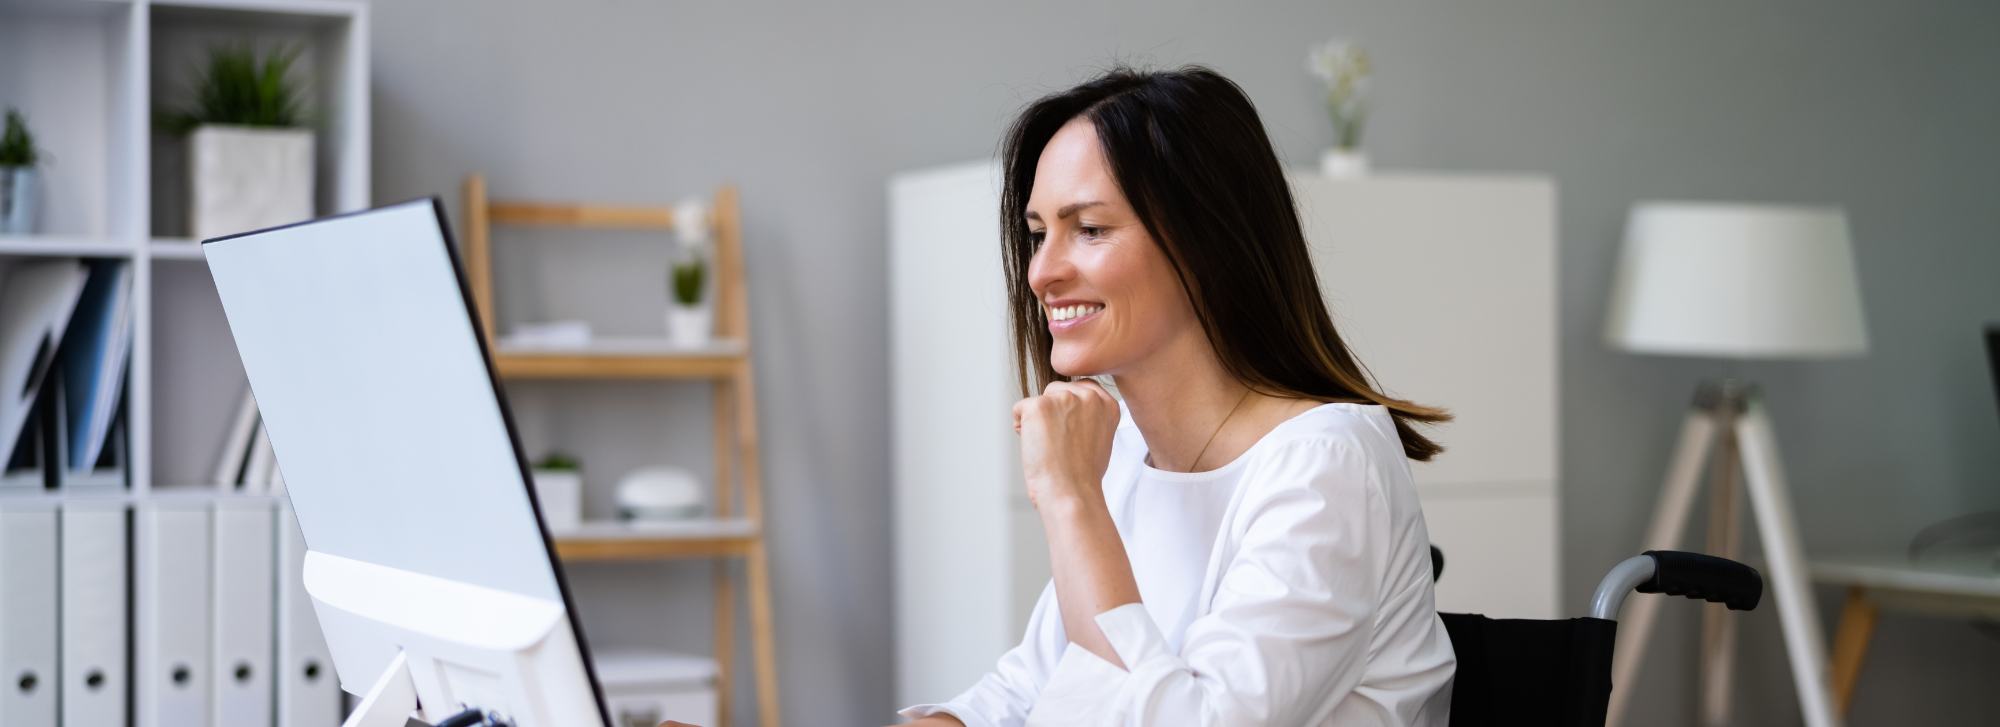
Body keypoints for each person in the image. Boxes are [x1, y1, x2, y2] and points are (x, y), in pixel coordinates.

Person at [895, 66, 1457, 727]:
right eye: (1039, 232)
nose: (1041, 271)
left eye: (1091, 229)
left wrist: (1073, 501)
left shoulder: (1326, 464)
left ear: (1204, 246)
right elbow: (1029, 689)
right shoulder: (1130, 451)